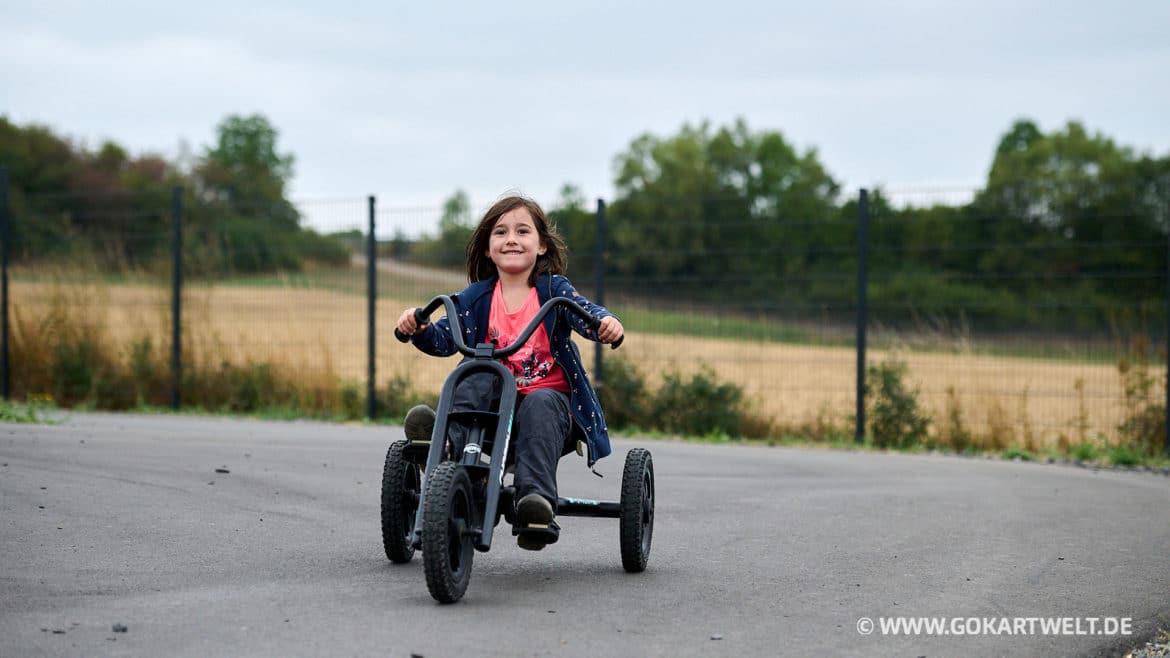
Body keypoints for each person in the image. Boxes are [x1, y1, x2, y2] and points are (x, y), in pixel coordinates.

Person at [396, 194, 624, 550]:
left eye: (522, 231)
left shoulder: (553, 290)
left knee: (541, 400)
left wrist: (606, 324)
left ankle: (534, 503)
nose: (511, 239)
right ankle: (443, 448)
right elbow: (444, 338)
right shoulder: (477, 297)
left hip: (545, 412)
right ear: (488, 248)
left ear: (542, 245)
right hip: (487, 411)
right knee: (476, 374)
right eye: (500, 232)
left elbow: (585, 312)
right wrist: (420, 328)